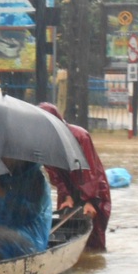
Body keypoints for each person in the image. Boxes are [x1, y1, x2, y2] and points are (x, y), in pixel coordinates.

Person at [38, 102, 112, 251]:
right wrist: (66, 196)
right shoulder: (46, 142)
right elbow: (54, 172)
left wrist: (89, 200)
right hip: (68, 189)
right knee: (66, 229)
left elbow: (90, 171)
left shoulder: (80, 136)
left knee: (95, 239)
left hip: (94, 190)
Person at [0, 159, 52, 264]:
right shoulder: (3, 176)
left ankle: (3, 268)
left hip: (29, 237)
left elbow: (26, 214)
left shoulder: (35, 179)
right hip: (7, 228)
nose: (2, 159)